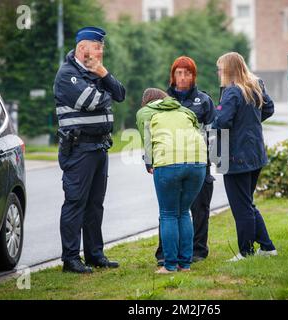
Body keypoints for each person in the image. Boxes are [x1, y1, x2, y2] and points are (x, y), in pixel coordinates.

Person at [54, 26, 125, 273]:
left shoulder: (95, 71)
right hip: (79, 148)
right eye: (97, 47)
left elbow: (120, 94)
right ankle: (71, 259)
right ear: (82, 47)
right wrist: (104, 88)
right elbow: (93, 101)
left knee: (95, 204)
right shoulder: (67, 74)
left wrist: (103, 74)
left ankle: (95, 254)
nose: (100, 52)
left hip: (99, 146)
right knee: (75, 203)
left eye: (102, 48)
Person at [213, 52, 277, 261]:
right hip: (255, 154)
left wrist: (211, 126)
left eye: (220, 68)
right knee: (247, 203)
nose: (218, 72)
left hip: (235, 157)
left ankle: (246, 252)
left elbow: (222, 122)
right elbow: (269, 108)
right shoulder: (254, 85)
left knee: (241, 207)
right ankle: (267, 247)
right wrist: (249, 122)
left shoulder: (232, 92)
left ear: (229, 69)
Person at [136, 88, 207, 273]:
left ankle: (169, 265)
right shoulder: (184, 110)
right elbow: (198, 130)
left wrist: (149, 163)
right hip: (198, 162)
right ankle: (185, 264)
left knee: (168, 213)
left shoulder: (145, 113)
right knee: (184, 212)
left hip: (168, 163)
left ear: (147, 102)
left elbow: (147, 140)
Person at [154, 56, 215, 265]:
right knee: (168, 211)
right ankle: (165, 253)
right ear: (172, 76)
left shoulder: (204, 101)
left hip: (198, 163)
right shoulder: (160, 102)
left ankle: (197, 251)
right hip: (168, 163)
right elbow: (149, 131)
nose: (182, 77)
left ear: (193, 76)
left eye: (187, 73)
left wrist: (213, 162)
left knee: (199, 209)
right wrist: (149, 161)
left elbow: (215, 132)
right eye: (178, 73)